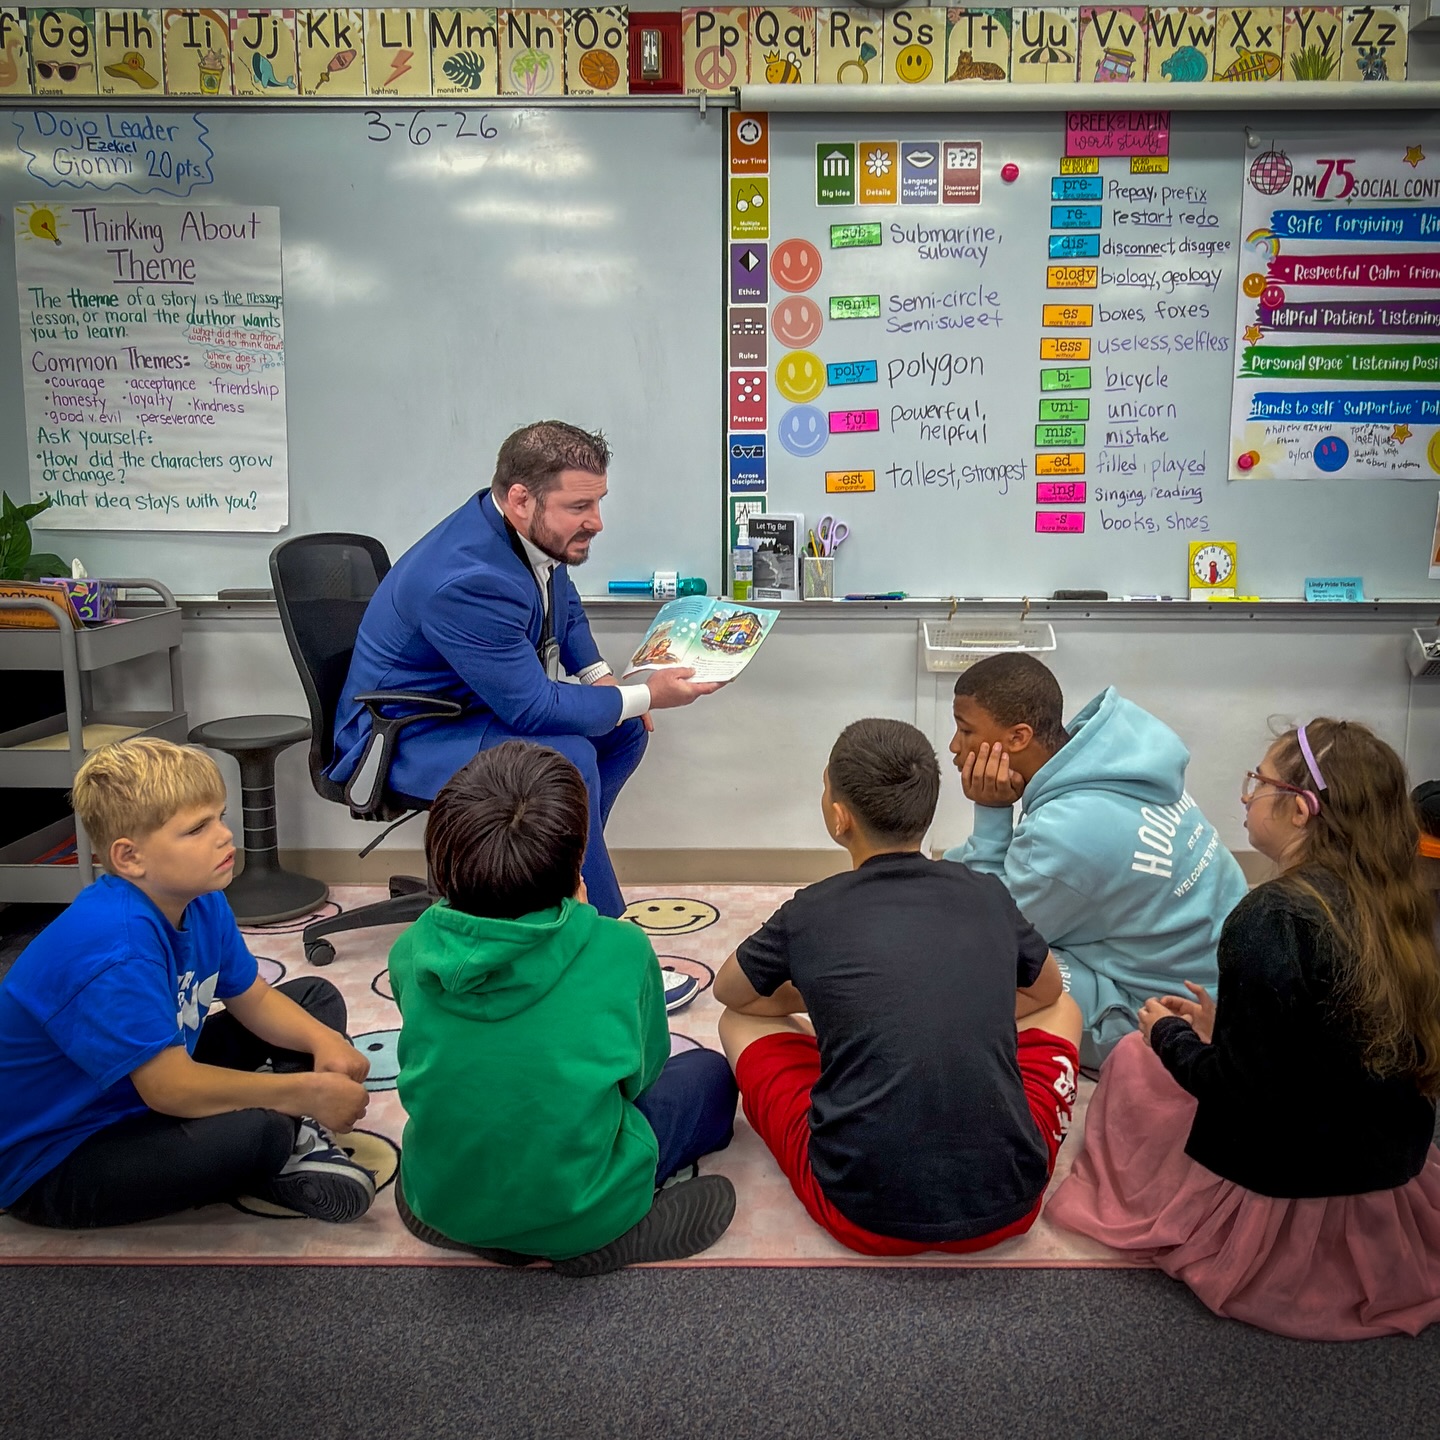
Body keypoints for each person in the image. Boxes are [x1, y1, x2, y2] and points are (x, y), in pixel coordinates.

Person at [1048, 720, 1440, 1340]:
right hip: (1390, 1160)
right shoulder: (1399, 901)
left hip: (1290, 1174)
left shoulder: (1269, 918)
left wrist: (1166, 1037)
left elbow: (1239, 1091)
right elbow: (1337, 1042)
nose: (1245, 796)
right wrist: (1224, 1022)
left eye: (1259, 780)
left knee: (1128, 1057)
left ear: (1302, 809)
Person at [713, 718, 1082, 1257]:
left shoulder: (810, 910)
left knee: (739, 1021)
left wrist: (819, 998)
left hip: (858, 1214)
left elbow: (730, 992)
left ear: (839, 819)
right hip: (1010, 1202)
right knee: (1065, 1009)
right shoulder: (986, 893)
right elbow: (1047, 991)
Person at [331, 420, 721, 929]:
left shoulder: (524, 531)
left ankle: (549, 882)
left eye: (598, 502)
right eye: (580, 507)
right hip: (403, 735)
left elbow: (563, 601)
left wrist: (600, 676)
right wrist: (645, 695)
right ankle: (601, 937)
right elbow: (532, 708)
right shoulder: (468, 579)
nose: (597, 521)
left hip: (468, 707)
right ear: (521, 498)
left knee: (621, 733)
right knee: (568, 755)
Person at [390, 741, 738, 1275]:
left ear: (443, 853)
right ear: (580, 862)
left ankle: (476, 1224)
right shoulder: (619, 949)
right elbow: (639, 1077)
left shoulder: (411, 948)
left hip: (442, 1196)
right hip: (581, 1204)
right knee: (711, 1076)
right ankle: (601, 1232)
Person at [0, 739, 376, 1229]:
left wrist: (323, 1042)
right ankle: (271, 1147)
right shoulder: (116, 948)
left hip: (138, 1093)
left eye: (219, 817)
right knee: (255, 1133)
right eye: (197, 829)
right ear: (130, 858)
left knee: (314, 1002)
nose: (225, 837)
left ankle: (267, 1133)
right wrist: (300, 1093)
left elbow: (253, 998)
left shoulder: (200, 898)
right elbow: (168, 1088)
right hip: (56, 1161)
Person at [944, 654, 1247, 1065]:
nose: (954, 746)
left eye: (965, 731)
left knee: (971, 974)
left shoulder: (1063, 837)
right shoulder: (1112, 748)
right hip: (1225, 968)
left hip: (1184, 1012)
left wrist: (991, 811)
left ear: (1017, 737)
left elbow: (988, 936)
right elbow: (1017, 868)